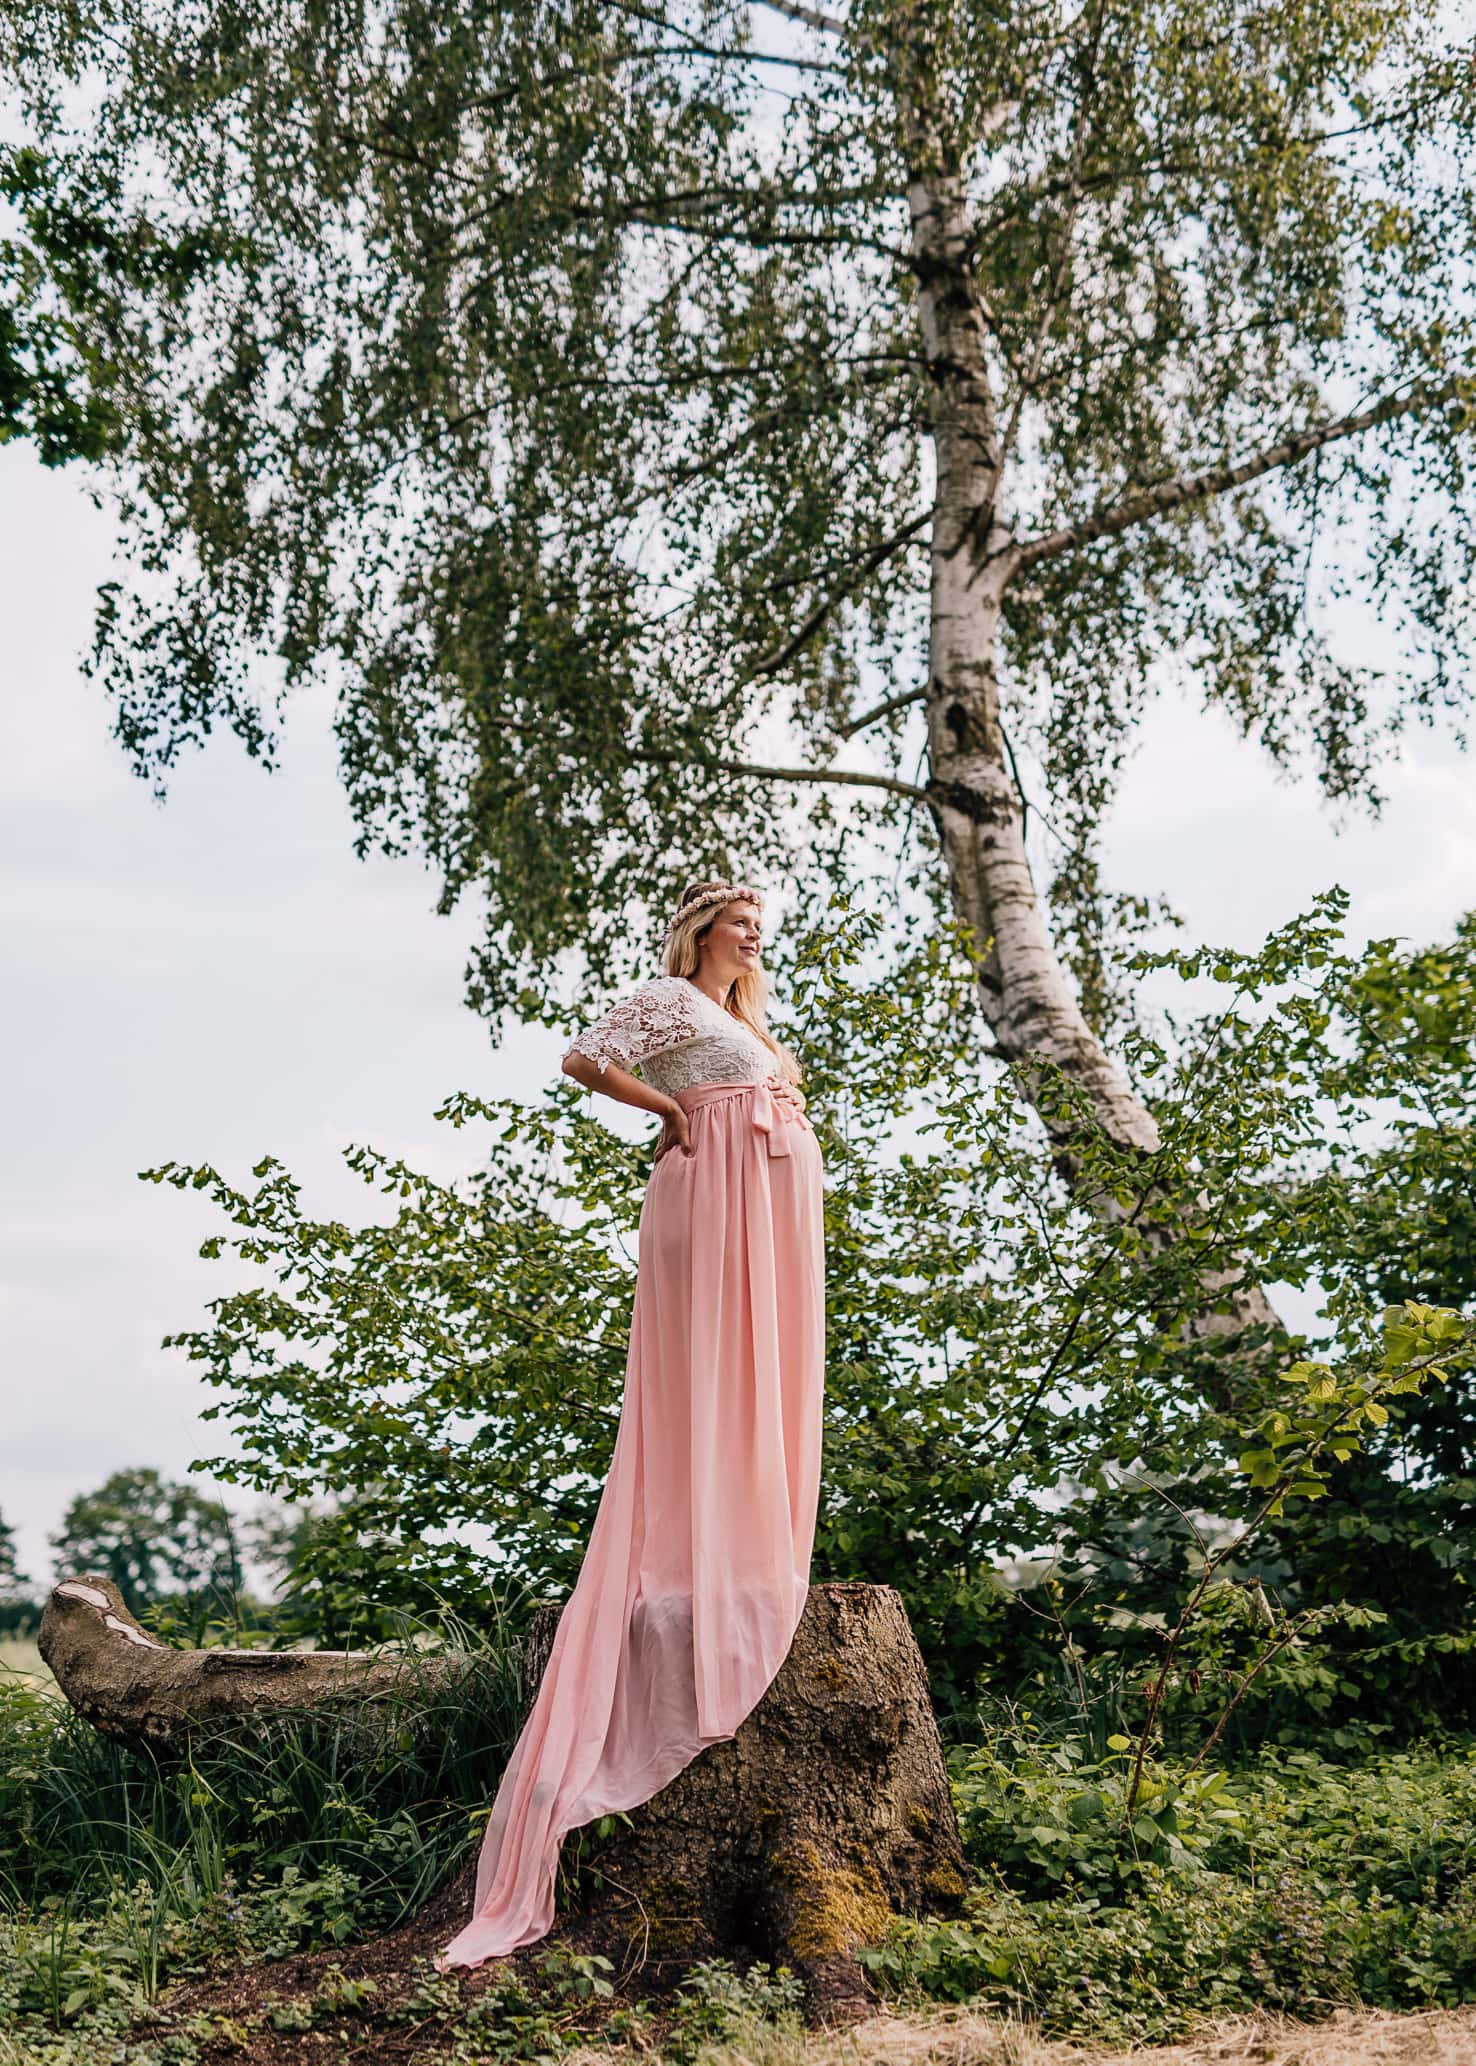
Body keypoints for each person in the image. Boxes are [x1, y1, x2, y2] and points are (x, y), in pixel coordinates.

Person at [436, 879, 826, 1969]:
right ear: (701, 931)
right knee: (706, 1365)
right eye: (738, 923)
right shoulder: (667, 995)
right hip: (711, 1194)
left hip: (773, 1201)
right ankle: (693, 1549)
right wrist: (674, 1114)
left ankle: (750, 1532)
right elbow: (581, 1058)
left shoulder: (751, 1018)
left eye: (759, 927)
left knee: (770, 1367)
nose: (753, 935)